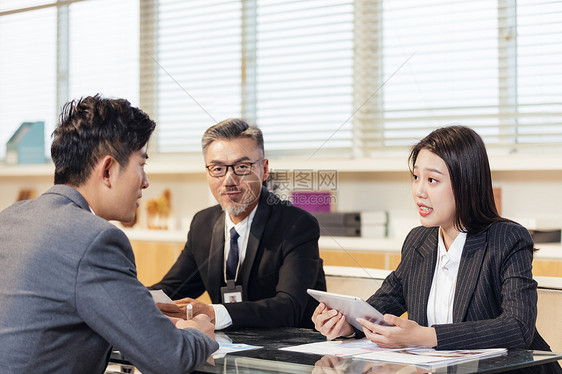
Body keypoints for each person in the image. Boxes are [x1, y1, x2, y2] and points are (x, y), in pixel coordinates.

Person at [0, 95, 218, 373]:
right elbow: (170, 359)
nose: (146, 181)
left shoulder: (10, 218)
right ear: (107, 170)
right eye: (141, 164)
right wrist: (199, 331)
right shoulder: (95, 239)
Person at [312, 126, 555, 354]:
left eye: (432, 180)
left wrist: (426, 337)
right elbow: (380, 309)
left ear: (466, 184)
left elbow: (517, 327)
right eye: (416, 177)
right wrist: (346, 325)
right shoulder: (419, 241)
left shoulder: (507, 239)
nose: (419, 191)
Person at [151, 118, 326, 330]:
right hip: (225, 350)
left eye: (242, 167)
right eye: (217, 169)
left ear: (264, 169)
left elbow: (290, 307)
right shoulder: (203, 223)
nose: (229, 180)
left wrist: (213, 313)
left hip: (288, 353)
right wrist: (123, 296)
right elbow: (172, 289)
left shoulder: (296, 225)